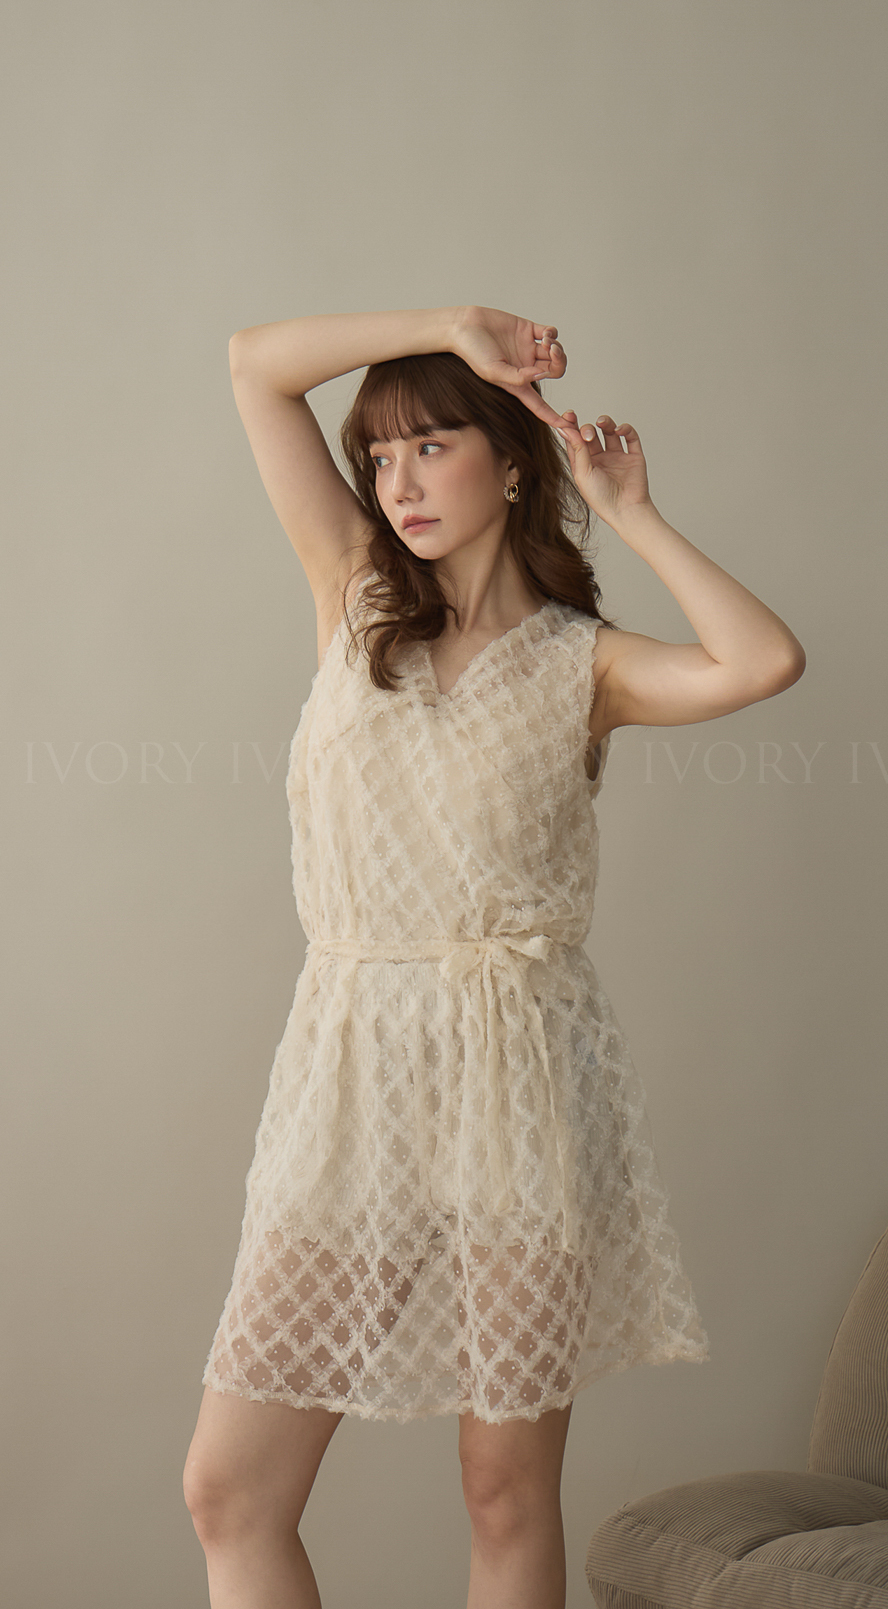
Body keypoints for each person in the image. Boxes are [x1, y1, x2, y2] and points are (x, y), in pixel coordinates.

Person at [182, 304, 805, 1609]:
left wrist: (630, 510)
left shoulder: (587, 666)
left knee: (503, 1488)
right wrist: (450, 327)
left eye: (433, 445)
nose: (398, 482)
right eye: (379, 455)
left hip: (520, 1085)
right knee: (231, 1489)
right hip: (353, 1076)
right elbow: (254, 366)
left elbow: (763, 661)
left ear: (513, 464)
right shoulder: (353, 592)